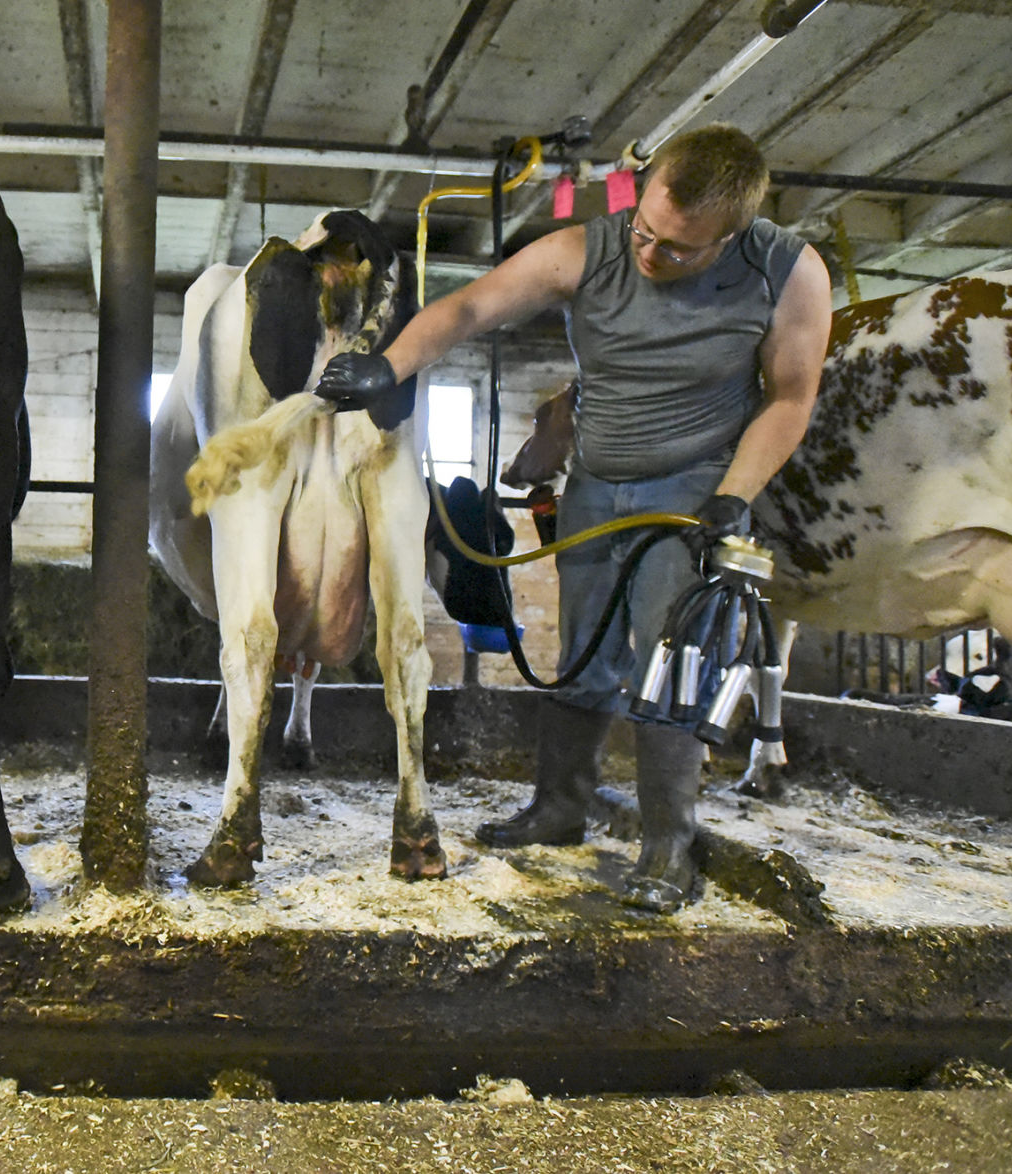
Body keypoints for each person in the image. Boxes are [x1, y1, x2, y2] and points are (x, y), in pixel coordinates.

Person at [315, 123, 832, 912]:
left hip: (691, 494)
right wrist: (388, 366)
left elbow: (791, 397)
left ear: (730, 236)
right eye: (644, 230)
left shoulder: (786, 271)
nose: (649, 255)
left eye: (676, 249)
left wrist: (734, 492)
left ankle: (669, 848)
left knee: (671, 666)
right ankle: (559, 807)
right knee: (582, 654)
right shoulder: (588, 249)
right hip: (595, 482)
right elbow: (468, 308)